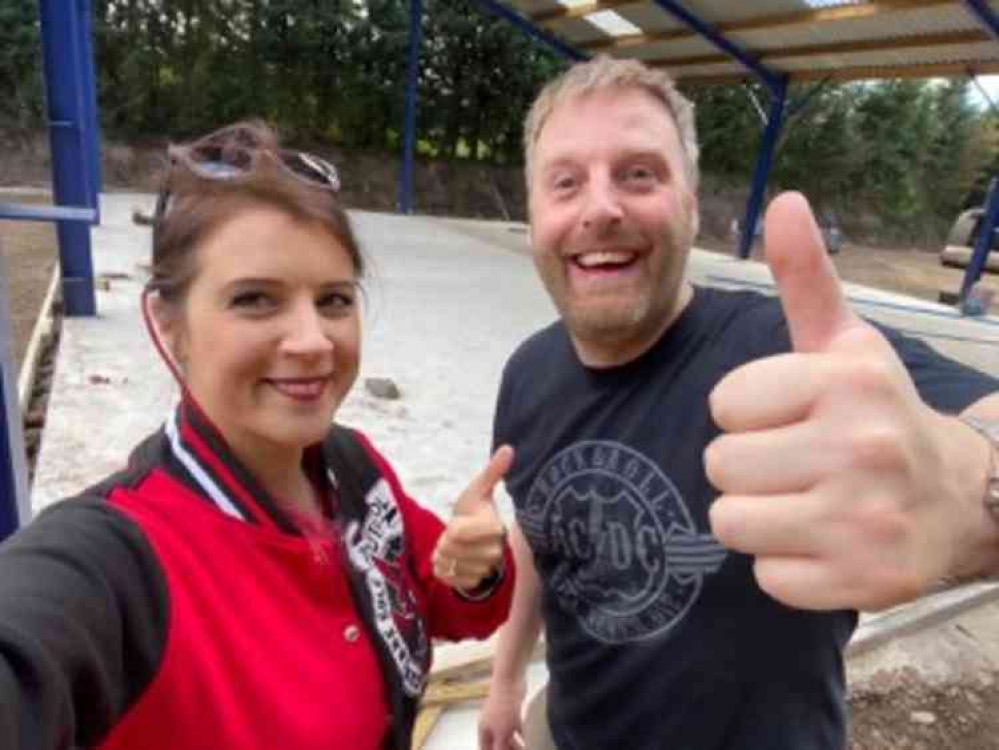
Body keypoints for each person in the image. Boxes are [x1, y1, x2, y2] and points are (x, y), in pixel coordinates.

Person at [478, 56, 999, 750]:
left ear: (692, 206)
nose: (600, 208)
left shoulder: (795, 350)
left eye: (638, 173)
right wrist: (506, 681)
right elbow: (536, 531)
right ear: (535, 212)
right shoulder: (526, 373)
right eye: (565, 182)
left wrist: (967, 483)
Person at [0, 121, 515, 750]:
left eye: (333, 300)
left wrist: (475, 571)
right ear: (168, 325)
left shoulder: (351, 466)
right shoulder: (118, 563)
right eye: (255, 300)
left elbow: (444, 600)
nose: (311, 341)